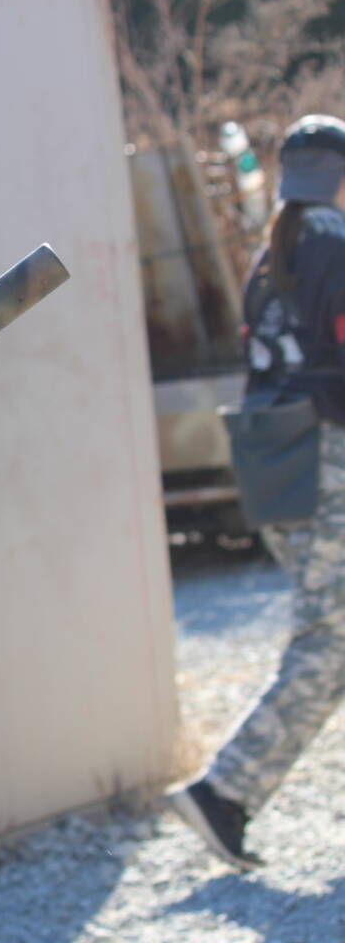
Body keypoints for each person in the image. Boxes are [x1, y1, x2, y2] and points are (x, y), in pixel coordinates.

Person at [171, 113, 345, 869]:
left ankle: (227, 797)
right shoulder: (336, 248)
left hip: (277, 462)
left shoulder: (271, 257)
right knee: (328, 644)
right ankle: (223, 792)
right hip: (329, 461)